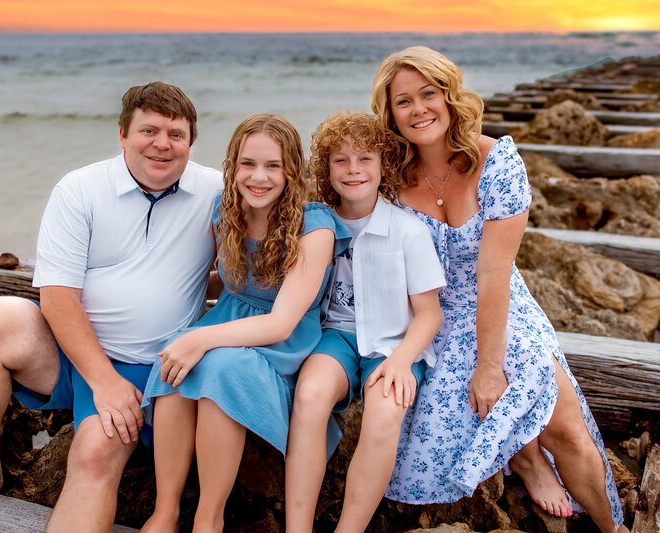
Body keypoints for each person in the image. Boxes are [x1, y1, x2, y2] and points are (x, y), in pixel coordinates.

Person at [0, 82, 223, 532]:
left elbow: (250, 263)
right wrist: (104, 382)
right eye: (148, 130)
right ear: (122, 134)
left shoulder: (215, 190)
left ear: (191, 141)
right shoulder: (79, 189)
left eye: (176, 134)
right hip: (70, 355)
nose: (162, 144)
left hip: (148, 365)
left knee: (95, 454)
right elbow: (57, 298)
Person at [371, 46, 626, 532]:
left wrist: (489, 367)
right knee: (459, 418)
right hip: (431, 317)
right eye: (403, 101)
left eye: (429, 94)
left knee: (564, 427)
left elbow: (493, 275)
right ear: (390, 113)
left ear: (449, 98)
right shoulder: (387, 177)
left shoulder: (497, 162)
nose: (418, 109)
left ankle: (614, 526)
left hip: (502, 305)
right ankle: (528, 465)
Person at [139, 113, 345, 533]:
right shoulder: (224, 208)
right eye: (248, 164)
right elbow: (223, 277)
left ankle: (208, 518)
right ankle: (165, 511)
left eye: (273, 166)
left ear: (292, 170)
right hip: (230, 319)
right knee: (177, 358)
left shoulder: (315, 225)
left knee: (218, 363)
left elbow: (283, 322)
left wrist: (202, 338)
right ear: (232, 166)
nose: (259, 177)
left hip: (280, 344)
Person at [285, 112, 445, 533]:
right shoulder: (315, 224)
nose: (353, 170)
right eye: (340, 160)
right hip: (335, 336)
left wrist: (401, 361)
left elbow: (429, 314)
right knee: (310, 394)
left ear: (383, 166)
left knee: (385, 413)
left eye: (365, 159)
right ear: (326, 169)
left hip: (394, 344)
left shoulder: (407, 231)